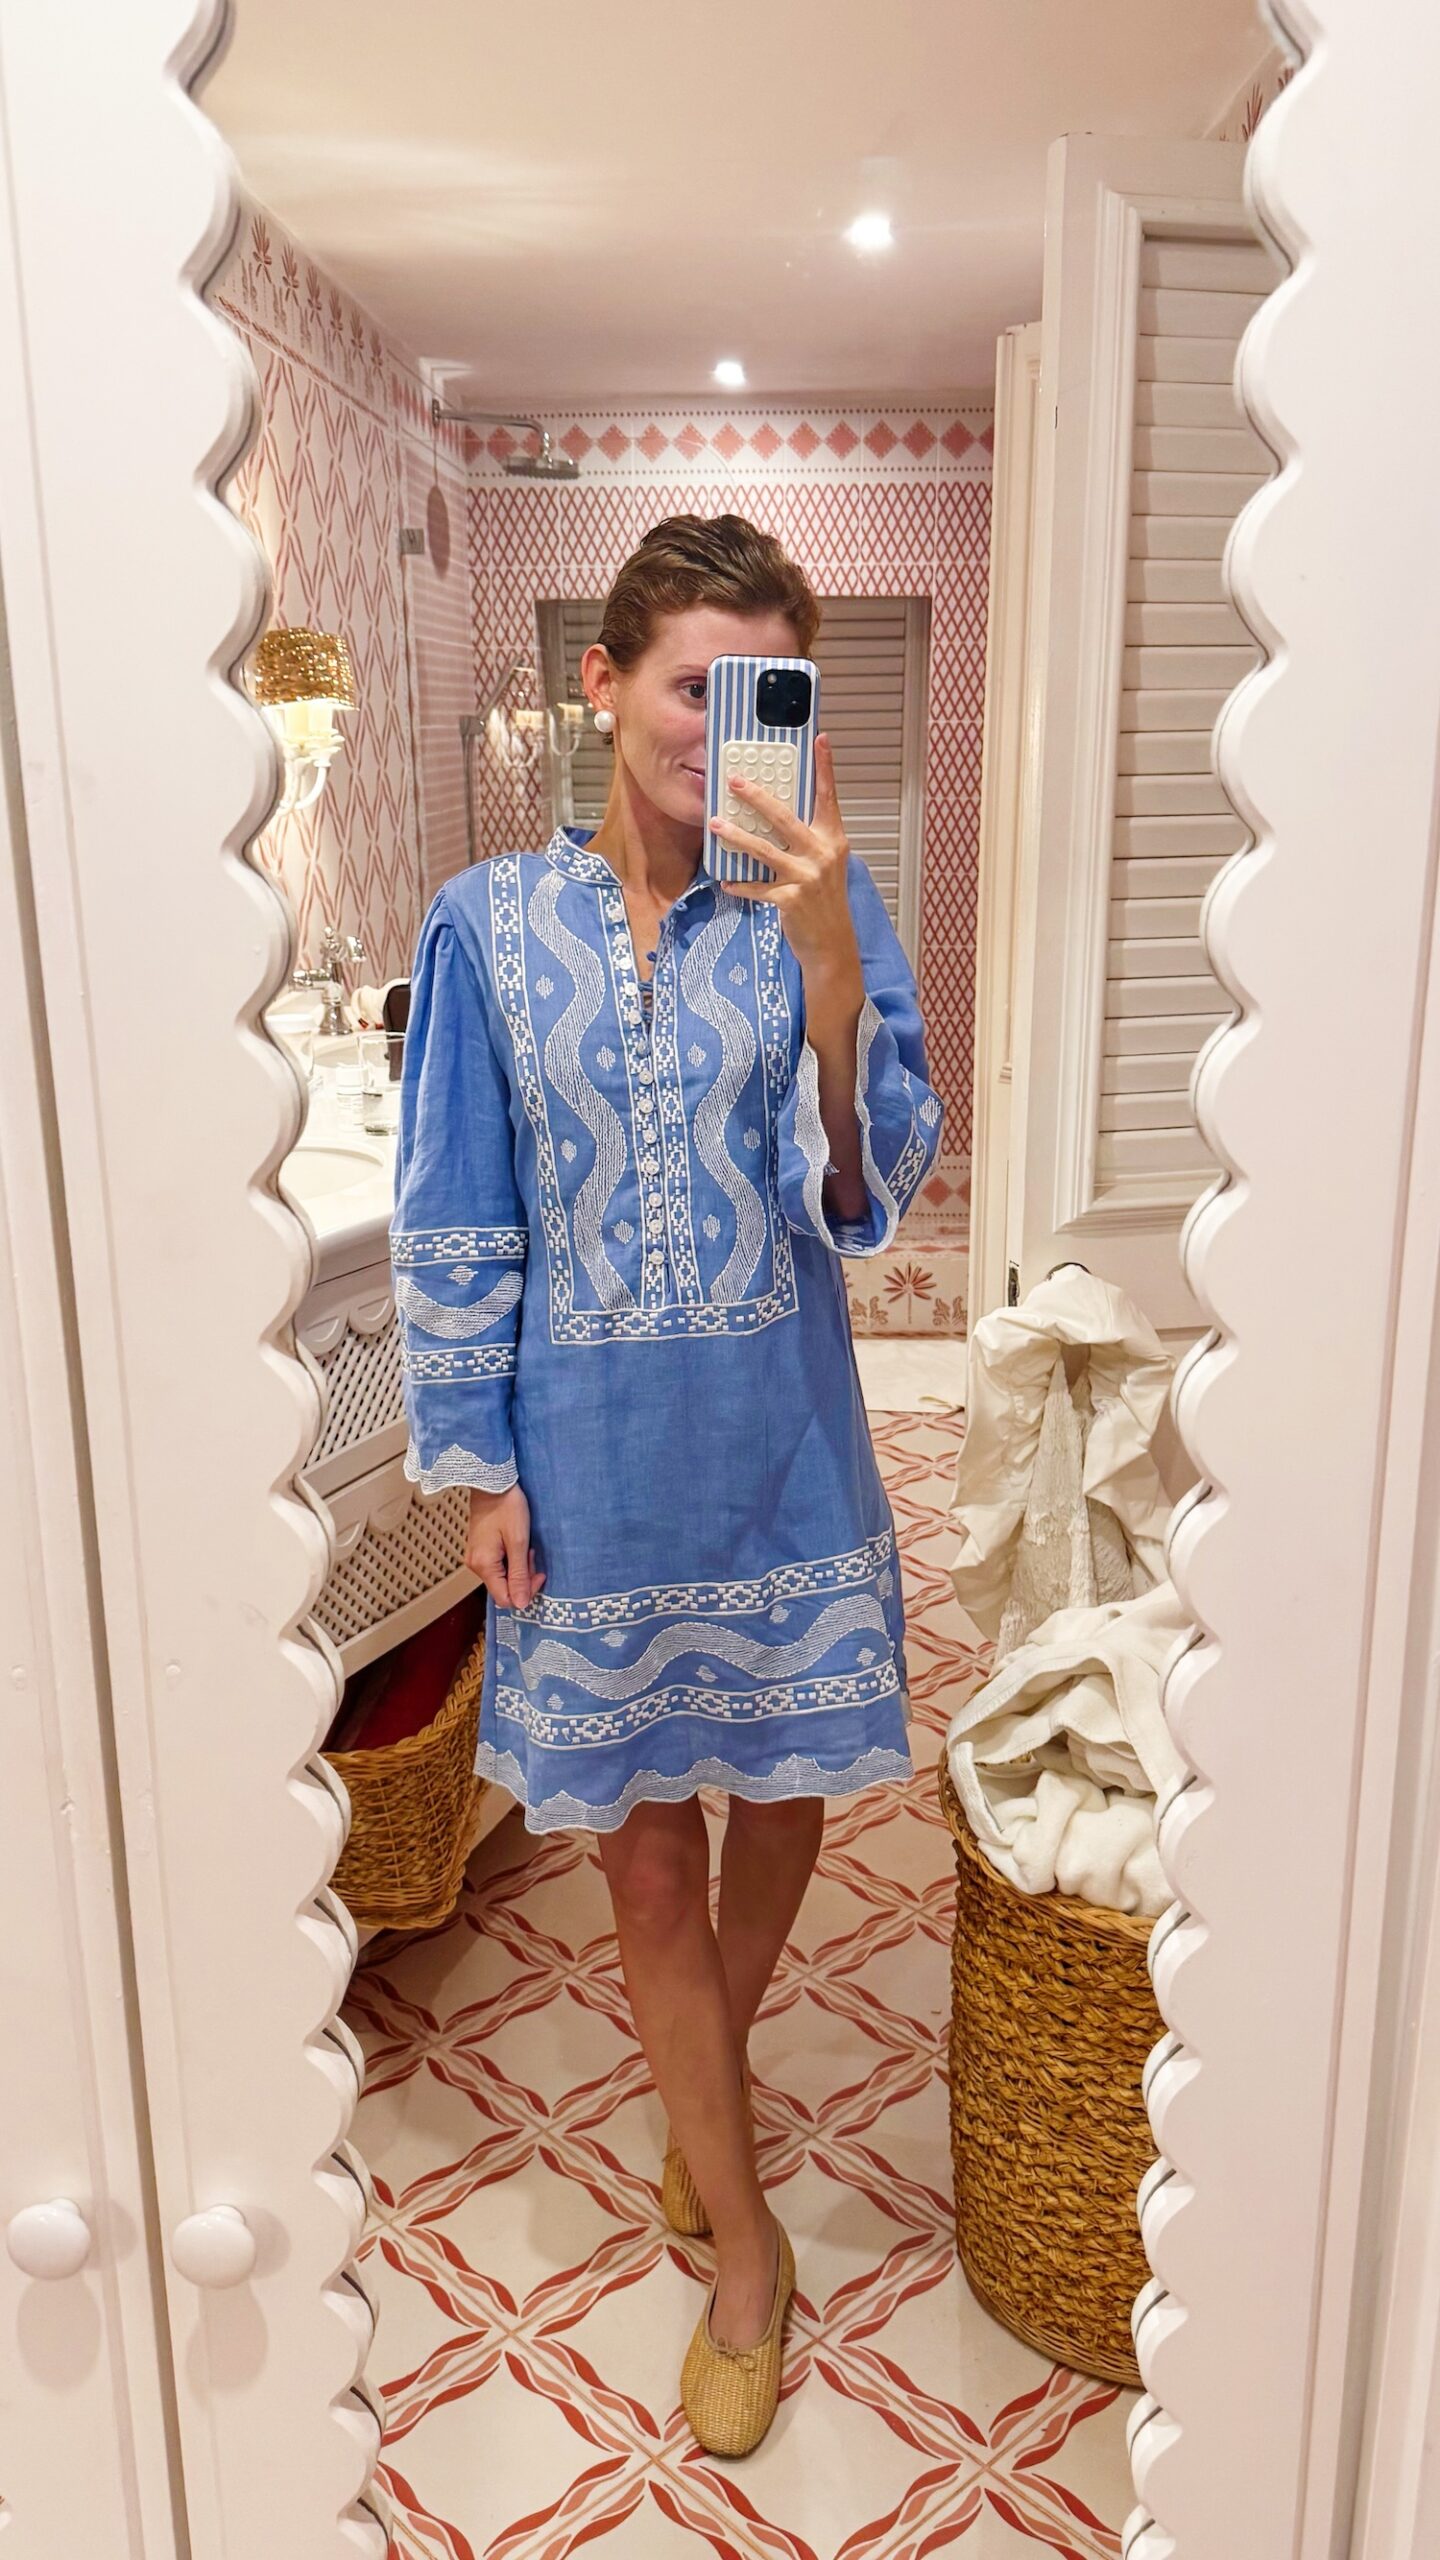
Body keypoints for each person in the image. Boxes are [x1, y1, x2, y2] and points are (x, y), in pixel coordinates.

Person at [390, 513, 943, 2456]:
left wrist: (827, 961)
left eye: (763, 689)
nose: (722, 725)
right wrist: (479, 1465)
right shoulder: (484, 928)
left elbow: (860, 1196)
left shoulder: (818, 908)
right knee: (639, 1858)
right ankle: (745, 2244)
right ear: (604, 682)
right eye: (694, 684)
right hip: (593, 1466)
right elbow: (459, 1205)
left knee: (783, 1799)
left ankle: (699, 2095)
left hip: (783, 1440)